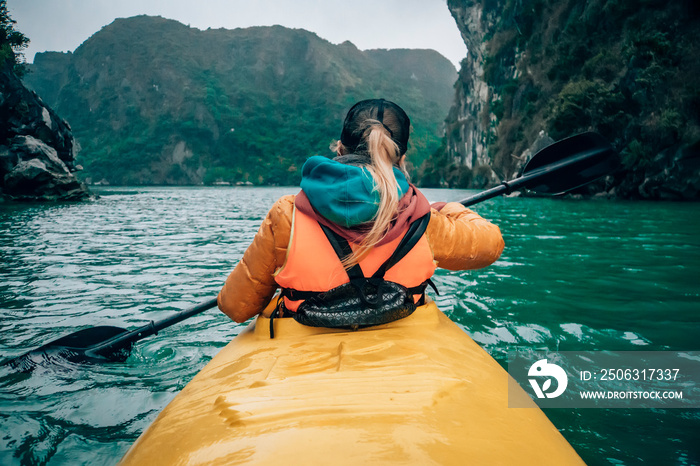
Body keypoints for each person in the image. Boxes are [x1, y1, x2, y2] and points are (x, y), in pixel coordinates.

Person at [218, 99, 504, 324]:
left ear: (340, 148)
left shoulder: (287, 215)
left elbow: (236, 307)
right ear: (401, 158)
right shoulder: (421, 218)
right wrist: (449, 209)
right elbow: (490, 245)